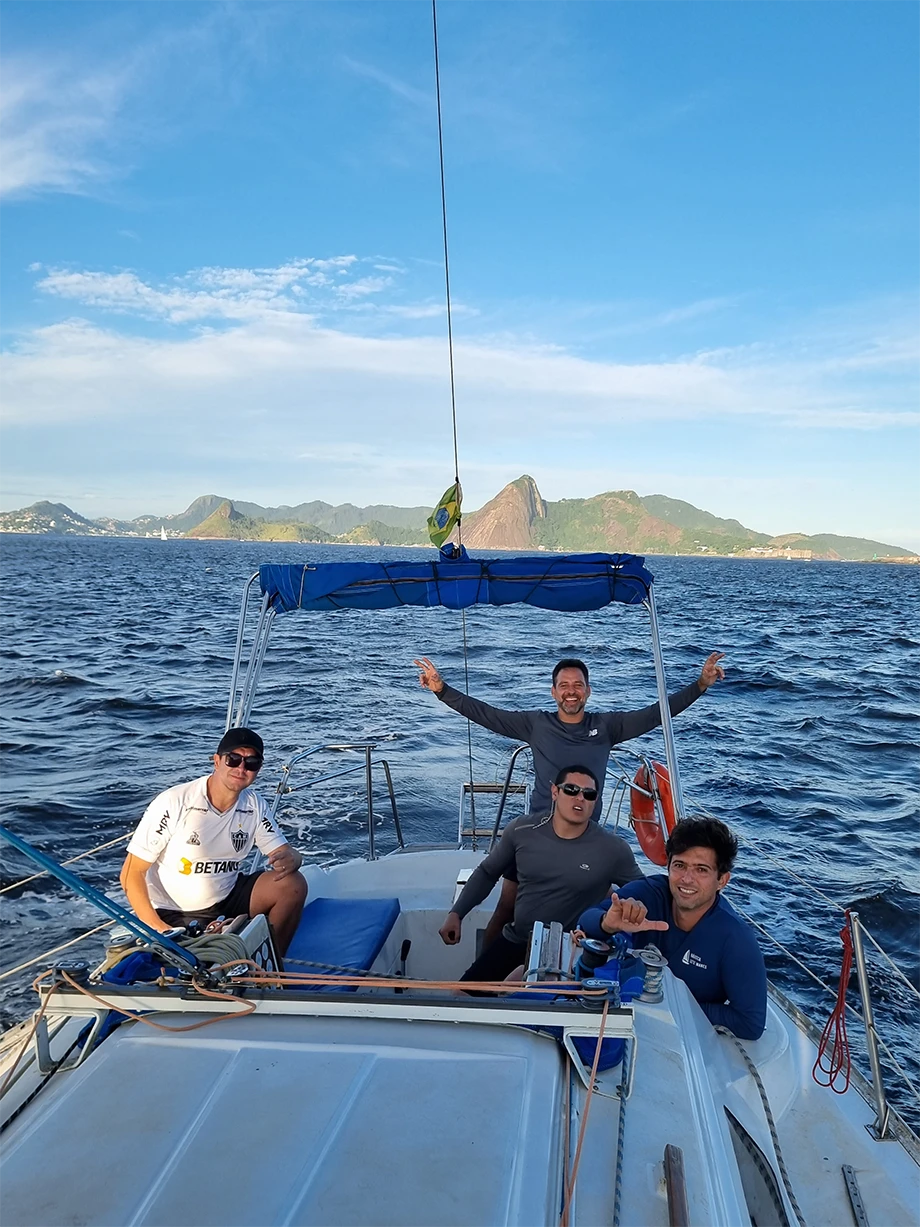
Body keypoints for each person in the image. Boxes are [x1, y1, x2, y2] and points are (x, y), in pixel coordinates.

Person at [416, 651, 725, 940]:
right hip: (536, 835)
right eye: (564, 685)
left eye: (578, 685)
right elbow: (487, 714)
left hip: (584, 837)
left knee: (584, 913)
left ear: (588, 691)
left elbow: (654, 715)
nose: (571, 691)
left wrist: (699, 685)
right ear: (554, 692)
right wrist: (442, 690)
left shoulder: (607, 727)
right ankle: (487, 971)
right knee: (508, 907)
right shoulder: (536, 725)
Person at [439, 765, 657, 984]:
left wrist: (633, 905)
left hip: (570, 951)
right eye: (571, 790)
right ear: (555, 792)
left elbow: (646, 889)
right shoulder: (521, 831)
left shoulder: (613, 849)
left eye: (588, 794)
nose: (580, 798)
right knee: (461, 994)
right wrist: (457, 913)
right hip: (517, 940)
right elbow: (487, 872)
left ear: (595, 801)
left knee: (516, 995)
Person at [120, 728, 307, 954]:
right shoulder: (174, 802)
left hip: (227, 896)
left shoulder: (254, 805)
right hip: (173, 910)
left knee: (293, 885)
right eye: (233, 759)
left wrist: (293, 859)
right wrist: (159, 929)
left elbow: (286, 854)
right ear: (217, 761)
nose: (241, 768)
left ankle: (271, 961)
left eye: (251, 762)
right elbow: (131, 873)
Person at [579, 816, 766, 1040]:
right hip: (629, 1020)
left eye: (701, 869)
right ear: (668, 866)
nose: (687, 879)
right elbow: (587, 919)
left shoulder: (735, 938)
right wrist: (607, 924)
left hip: (684, 1038)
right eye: (680, 865)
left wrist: (672, 1008)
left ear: (722, 880)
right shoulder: (652, 893)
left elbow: (751, 1023)